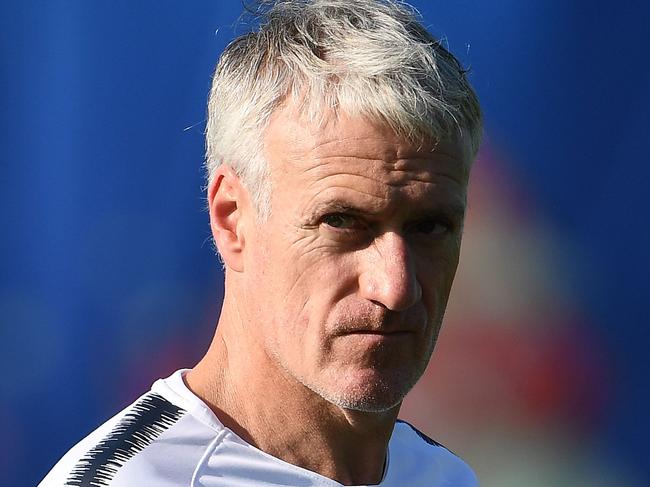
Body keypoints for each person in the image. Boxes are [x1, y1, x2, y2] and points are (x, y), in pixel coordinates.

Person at [40, 0, 482, 485]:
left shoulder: (445, 476)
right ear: (231, 220)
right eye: (342, 221)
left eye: (430, 227)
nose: (396, 286)